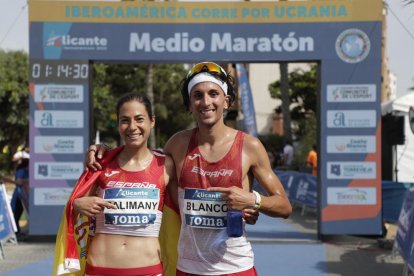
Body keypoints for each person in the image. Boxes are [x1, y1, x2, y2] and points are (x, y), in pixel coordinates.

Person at [86, 62, 292, 275]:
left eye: (213, 94)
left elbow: (284, 206)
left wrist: (253, 201)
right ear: (189, 105)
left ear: (226, 101)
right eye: (197, 95)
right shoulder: (177, 145)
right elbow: (140, 164)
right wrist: (105, 153)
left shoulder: (250, 146)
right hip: (187, 269)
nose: (206, 102)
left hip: (236, 267)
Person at [54, 92, 178, 276]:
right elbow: (76, 204)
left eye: (139, 119)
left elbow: (184, 211)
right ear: (118, 124)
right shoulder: (101, 162)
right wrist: (78, 204)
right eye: (125, 120)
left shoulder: (166, 165)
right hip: (99, 269)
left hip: (148, 270)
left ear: (152, 121)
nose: (132, 127)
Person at [0, 148, 30, 237]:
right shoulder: (21, 170)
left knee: (17, 212)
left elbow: (19, 181)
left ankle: (16, 231)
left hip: (21, 194)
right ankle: (16, 231)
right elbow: (18, 181)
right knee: (15, 213)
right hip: (20, 194)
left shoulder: (23, 170)